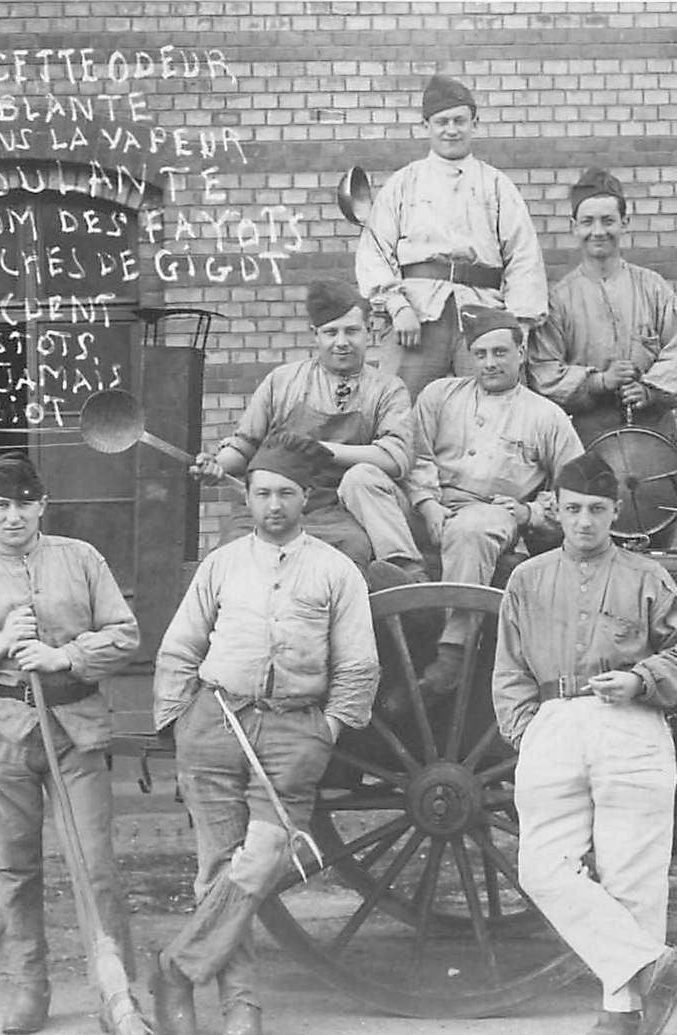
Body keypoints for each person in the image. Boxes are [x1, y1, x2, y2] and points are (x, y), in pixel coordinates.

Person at [151, 431, 379, 1035]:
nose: (272, 505)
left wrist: (325, 730)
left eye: (284, 493)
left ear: (306, 498)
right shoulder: (221, 565)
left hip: (292, 730)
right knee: (217, 869)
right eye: (260, 493)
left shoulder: (336, 570)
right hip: (215, 721)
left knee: (265, 856)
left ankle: (177, 970)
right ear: (247, 498)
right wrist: (179, 725)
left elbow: (358, 667)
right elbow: (180, 648)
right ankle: (240, 1009)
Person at [493, 450, 677, 1035]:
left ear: (615, 512)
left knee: (631, 873)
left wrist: (640, 680)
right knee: (541, 867)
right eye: (573, 509)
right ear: (555, 511)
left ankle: (621, 1017)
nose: (584, 522)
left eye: (597, 509)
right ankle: (647, 963)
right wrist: (528, 730)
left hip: (631, 724)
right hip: (555, 721)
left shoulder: (647, 576)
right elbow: (509, 668)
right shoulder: (527, 580)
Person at [0, 451, 141, 1035]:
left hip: (74, 730)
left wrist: (64, 655)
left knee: (95, 864)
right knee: (13, 867)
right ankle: (28, 986)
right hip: (1, 734)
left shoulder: (82, 560)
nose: (13, 516)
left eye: (24, 504)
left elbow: (126, 636)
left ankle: (115, 987)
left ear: (43, 505)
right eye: (1, 506)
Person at [192, 278, 426, 579]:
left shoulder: (387, 389)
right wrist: (215, 465)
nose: (342, 342)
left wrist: (325, 451)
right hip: (276, 504)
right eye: (331, 332)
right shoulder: (282, 381)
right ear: (315, 335)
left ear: (369, 331)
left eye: (352, 331)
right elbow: (244, 446)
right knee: (232, 558)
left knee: (350, 554)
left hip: (340, 510)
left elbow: (395, 460)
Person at [405, 304, 584, 695]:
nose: (489, 363)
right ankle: (401, 576)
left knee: (472, 529)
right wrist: (426, 503)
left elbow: (577, 488)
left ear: (521, 354)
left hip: (490, 514)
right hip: (430, 507)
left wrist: (531, 511)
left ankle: (453, 653)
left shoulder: (546, 416)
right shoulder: (439, 395)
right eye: (480, 354)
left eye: (500, 353)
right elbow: (414, 457)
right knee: (363, 481)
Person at [355, 74, 548, 402]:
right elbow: (374, 251)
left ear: (475, 123)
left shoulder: (497, 186)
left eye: (460, 121)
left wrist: (517, 326)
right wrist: (397, 305)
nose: (451, 130)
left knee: (492, 408)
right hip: (416, 315)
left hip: (482, 315)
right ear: (425, 125)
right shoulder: (403, 184)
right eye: (442, 122)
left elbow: (523, 257)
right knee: (399, 410)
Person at [530, 168, 677, 452]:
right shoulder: (558, 300)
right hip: (586, 435)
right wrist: (599, 382)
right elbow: (543, 372)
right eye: (587, 222)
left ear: (624, 223)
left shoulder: (653, 288)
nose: (598, 231)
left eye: (608, 221)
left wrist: (648, 389)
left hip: (652, 429)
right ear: (574, 226)